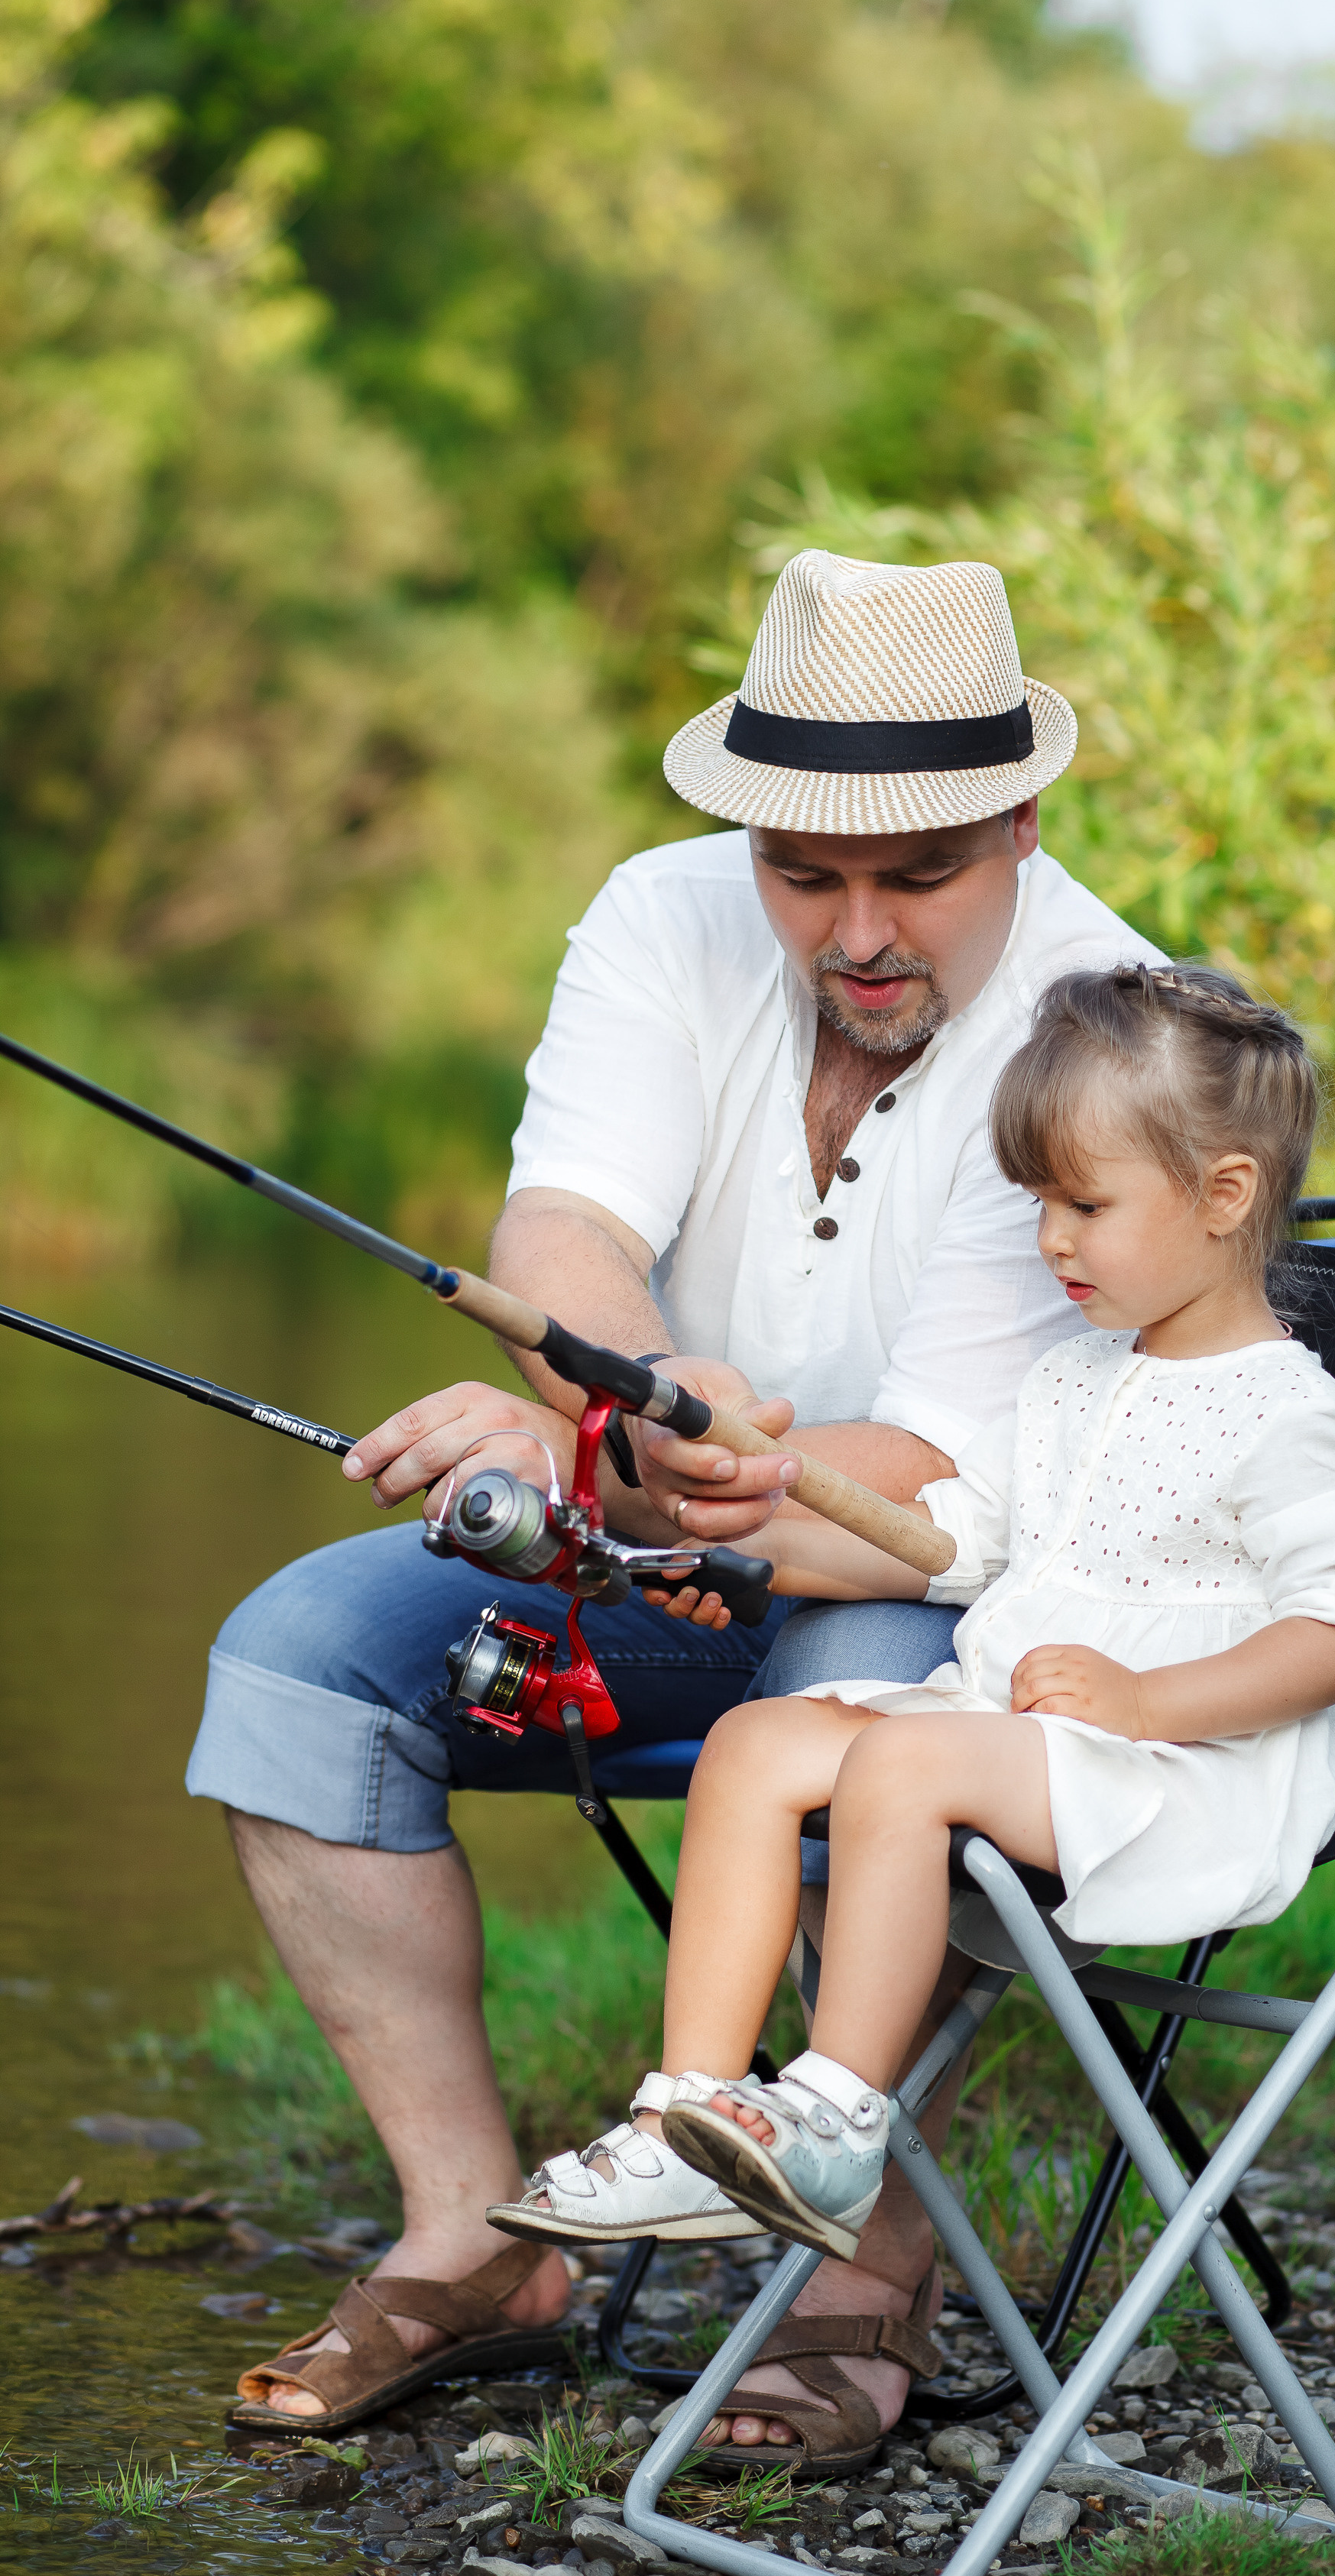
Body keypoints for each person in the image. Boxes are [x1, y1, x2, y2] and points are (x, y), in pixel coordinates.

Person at [209, 549, 1163, 2442]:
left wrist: (627, 1461)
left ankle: (857, 2278)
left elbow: (933, 1467)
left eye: (921, 874)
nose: (857, 930)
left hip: (950, 1580)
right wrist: (614, 1421)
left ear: (1024, 823)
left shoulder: (1110, 1019)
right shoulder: (658, 911)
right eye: (804, 873)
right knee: (296, 1662)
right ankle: (472, 2241)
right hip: (664, 1537)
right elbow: (567, 1230)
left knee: (869, 1686)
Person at [481, 962, 1335, 2473]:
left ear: (1228, 1193)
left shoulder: (1289, 1410)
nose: (1049, 1241)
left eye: (1084, 1207)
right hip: (1026, 1729)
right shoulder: (1075, 1383)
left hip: (1186, 1768)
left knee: (903, 1756)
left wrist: (1151, 1694)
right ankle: (692, 2113)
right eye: (1035, 1199)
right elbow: (956, 1548)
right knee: (761, 1741)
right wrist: (741, 1547)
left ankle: (836, 2121)